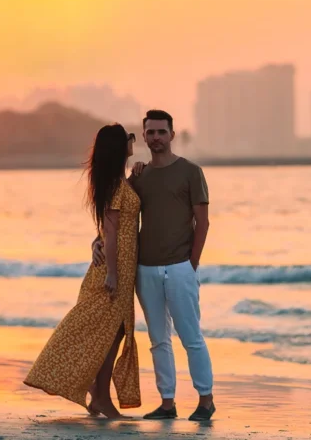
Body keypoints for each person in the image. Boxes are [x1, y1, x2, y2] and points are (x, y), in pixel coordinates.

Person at [92, 109, 215, 421]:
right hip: (144, 270)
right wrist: (96, 241)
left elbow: (203, 222)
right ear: (144, 136)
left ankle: (205, 400)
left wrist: (192, 264)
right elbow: (117, 217)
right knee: (158, 339)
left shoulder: (191, 172)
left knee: (191, 337)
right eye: (151, 132)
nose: (157, 137)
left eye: (162, 132)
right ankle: (167, 403)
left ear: (172, 135)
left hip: (180, 268)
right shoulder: (140, 177)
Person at [24, 124, 141, 418]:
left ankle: (100, 396)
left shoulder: (119, 181)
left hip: (121, 268)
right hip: (114, 270)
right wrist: (112, 273)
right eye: (129, 138)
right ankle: (101, 398)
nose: (133, 142)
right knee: (107, 332)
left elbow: (106, 230)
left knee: (113, 333)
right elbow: (112, 234)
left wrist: (97, 242)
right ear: (118, 147)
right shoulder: (115, 185)